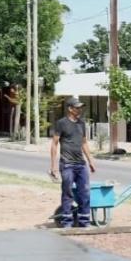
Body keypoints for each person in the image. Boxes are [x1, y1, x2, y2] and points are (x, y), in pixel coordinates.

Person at [49, 97, 98, 228]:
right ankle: (67, 223)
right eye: (77, 107)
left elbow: (84, 143)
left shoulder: (81, 123)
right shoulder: (61, 123)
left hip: (81, 164)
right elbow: (54, 144)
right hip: (67, 164)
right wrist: (53, 167)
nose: (80, 109)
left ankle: (84, 222)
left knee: (85, 193)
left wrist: (90, 161)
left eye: (81, 107)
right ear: (70, 109)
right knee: (68, 193)